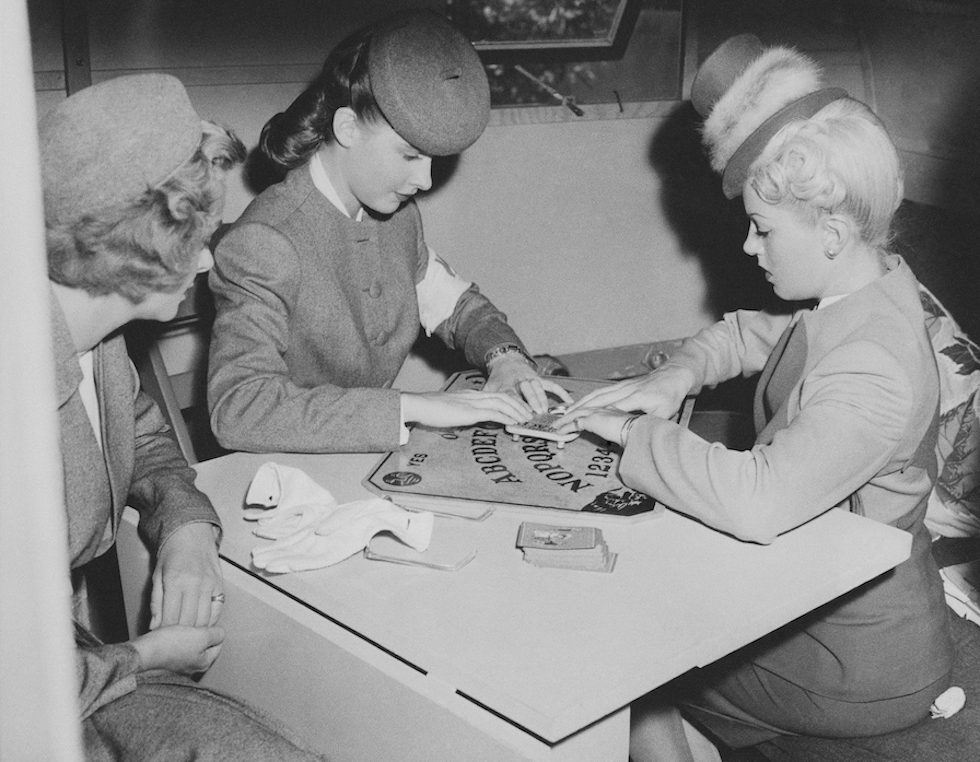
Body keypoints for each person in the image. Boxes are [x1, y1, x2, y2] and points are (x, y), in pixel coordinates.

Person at [556, 35, 954, 760]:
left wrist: (627, 433)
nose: (748, 246)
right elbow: (748, 336)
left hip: (854, 661)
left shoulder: (873, 364)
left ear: (832, 233)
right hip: (832, 609)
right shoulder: (869, 290)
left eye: (763, 229)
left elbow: (757, 501)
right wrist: (670, 378)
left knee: (625, 655)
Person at [40, 73, 327, 760]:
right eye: (196, 238)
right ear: (137, 243)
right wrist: (140, 655)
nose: (205, 260)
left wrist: (189, 532)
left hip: (69, 661)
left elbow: (150, 446)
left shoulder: (101, 346)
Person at [206, 9, 569, 454]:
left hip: (368, 462)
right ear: (347, 128)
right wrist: (413, 407)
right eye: (410, 156)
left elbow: (455, 304)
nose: (426, 181)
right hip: (283, 473)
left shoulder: (399, 218)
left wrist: (507, 359)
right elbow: (238, 410)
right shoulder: (265, 242)